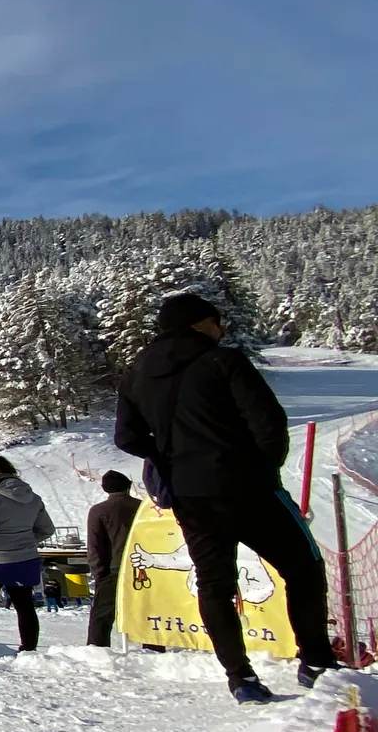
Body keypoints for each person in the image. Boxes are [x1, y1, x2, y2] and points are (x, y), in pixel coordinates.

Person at [115, 292, 341, 701]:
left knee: (214, 583)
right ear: (201, 323)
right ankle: (316, 662)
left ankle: (241, 677)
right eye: (218, 323)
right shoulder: (223, 361)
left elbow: (127, 437)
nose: (221, 330)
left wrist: (168, 456)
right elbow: (268, 421)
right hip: (248, 488)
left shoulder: (135, 375)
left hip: (189, 496)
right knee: (303, 567)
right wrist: (265, 468)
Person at [0, 454, 54, 660]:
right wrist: (25, 541)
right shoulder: (32, 495)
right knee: (24, 605)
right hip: (25, 558)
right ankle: (29, 651)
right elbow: (47, 529)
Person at [85, 471, 141, 648]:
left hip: (113, 570)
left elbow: (95, 546)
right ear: (128, 486)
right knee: (145, 610)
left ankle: (97, 650)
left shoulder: (98, 511)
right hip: (143, 568)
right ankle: (154, 649)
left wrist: (98, 572)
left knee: (101, 616)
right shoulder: (142, 507)